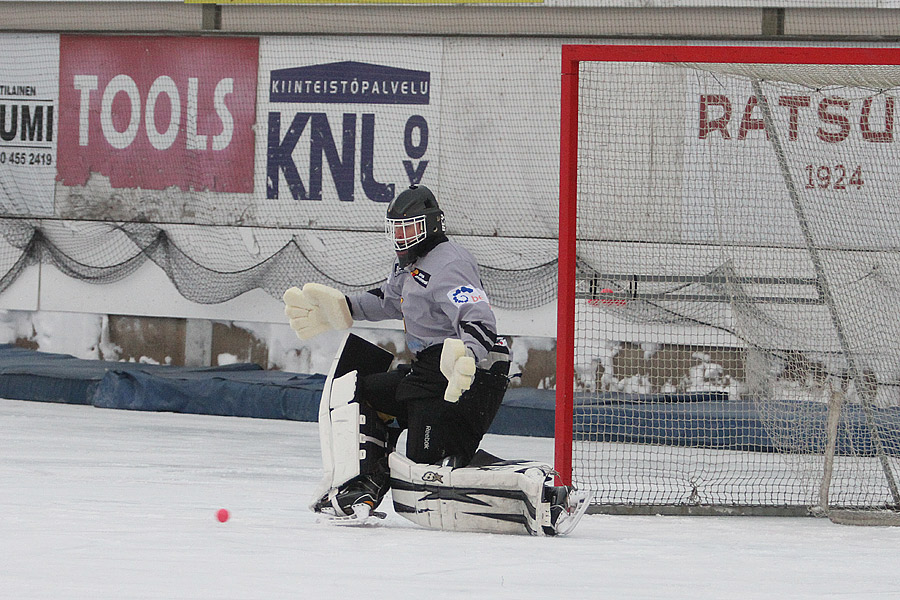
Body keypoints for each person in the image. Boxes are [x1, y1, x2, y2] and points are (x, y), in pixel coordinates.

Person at [284, 185, 585, 535]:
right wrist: (344, 308)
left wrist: (466, 356)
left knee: (427, 473)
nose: (401, 237)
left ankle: (545, 493)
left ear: (432, 225)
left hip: (469, 370)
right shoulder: (410, 266)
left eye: (409, 228)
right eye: (396, 229)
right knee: (359, 391)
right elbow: (387, 299)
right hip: (431, 369)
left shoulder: (450, 262)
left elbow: (478, 319)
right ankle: (362, 487)